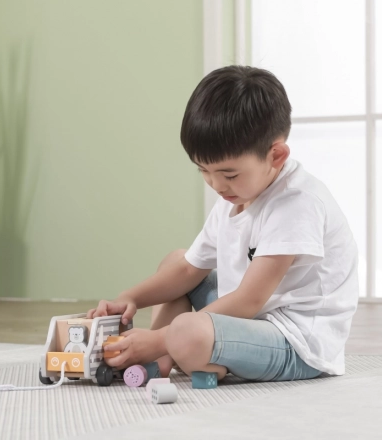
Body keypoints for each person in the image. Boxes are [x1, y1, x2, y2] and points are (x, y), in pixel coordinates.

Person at [87, 65, 359, 382]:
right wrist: (129, 298)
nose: (216, 185)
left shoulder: (297, 203)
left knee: (189, 331)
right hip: (254, 319)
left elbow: (249, 300)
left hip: (296, 343)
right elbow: (190, 269)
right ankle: (165, 356)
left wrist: (160, 337)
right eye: (203, 170)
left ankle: (171, 349)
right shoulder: (236, 195)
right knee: (175, 262)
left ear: (276, 155)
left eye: (229, 174)